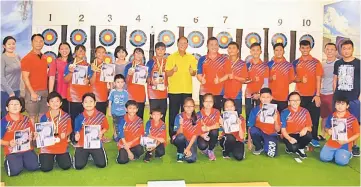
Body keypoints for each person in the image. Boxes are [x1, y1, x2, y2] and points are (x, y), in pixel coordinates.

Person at [292, 40, 323, 147]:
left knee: (314, 117)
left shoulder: (316, 62)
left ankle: (313, 138)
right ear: (300, 49)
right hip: (300, 96)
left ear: (310, 48)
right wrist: (300, 80)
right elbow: (293, 78)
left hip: (313, 96)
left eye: (307, 48)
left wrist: (317, 95)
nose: (305, 50)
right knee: (299, 118)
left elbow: (319, 79)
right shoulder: (295, 63)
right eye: (303, 48)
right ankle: (300, 137)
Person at [166, 37, 197, 140]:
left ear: (187, 44)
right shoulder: (171, 57)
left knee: (187, 113)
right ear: (177, 44)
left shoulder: (191, 58)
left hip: (187, 89)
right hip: (174, 90)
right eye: (181, 43)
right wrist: (173, 70)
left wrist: (192, 71)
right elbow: (167, 73)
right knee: (173, 114)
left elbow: (194, 73)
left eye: (185, 43)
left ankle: (188, 133)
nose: (183, 45)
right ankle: (173, 135)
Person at [333, 40, 360, 156]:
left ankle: (354, 146)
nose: (346, 51)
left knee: (354, 122)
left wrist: (359, 97)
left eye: (349, 48)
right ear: (341, 50)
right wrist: (335, 94)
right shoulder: (338, 63)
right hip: (339, 97)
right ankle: (339, 143)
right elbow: (335, 79)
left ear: (352, 49)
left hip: (354, 98)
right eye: (344, 49)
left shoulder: (359, 63)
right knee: (339, 120)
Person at [1, 97, 39, 176]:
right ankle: (8, 160)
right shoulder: (3, 122)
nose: (14, 106)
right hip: (12, 151)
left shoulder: (26, 119)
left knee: (34, 167)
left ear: (21, 107)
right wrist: (8, 143)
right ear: (7, 108)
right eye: (12, 104)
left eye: (17, 104)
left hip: (27, 149)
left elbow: (31, 134)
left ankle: (23, 160)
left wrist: (33, 136)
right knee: (15, 171)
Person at [320, 96, 360, 165]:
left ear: (347, 106)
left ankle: (348, 153)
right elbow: (326, 127)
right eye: (338, 104)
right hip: (332, 142)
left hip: (345, 144)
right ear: (335, 105)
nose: (340, 106)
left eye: (342, 104)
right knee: (324, 158)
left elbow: (357, 134)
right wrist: (328, 130)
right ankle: (335, 154)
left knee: (341, 162)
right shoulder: (331, 116)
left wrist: (346, 141)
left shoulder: (352, 119)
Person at [38, 91, 72, 172]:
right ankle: (47, 157)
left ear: (60, 103)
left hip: (61, 145)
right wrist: (38, 134)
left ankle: (57, 156)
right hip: (48, 146)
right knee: (46, 168)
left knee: (66, 166)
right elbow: (41, 132)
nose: (54, 103)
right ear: (48, 104)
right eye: (52, 101)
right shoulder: (44, 117)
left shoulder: (66, 116)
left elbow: (69, 129)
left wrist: (66, 134)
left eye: (57, 101)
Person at [73, 93, 109, 169]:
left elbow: (106, 127)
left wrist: (101, 132)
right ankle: (86, 154)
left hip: (95, 143)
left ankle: (92, 154)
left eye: (91, 101)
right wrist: (77, 135)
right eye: (86, 102)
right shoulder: (79, 117)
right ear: (82, 104)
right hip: (83, 144)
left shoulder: (101, 116)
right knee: (78, 166)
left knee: (102, 165)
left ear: (95, 103)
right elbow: (77, 130)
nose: (88, 104)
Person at [21, 34, 48, 124]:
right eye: (36, 41)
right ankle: (32, 137)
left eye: (41, 41)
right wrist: (32, 92)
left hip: (44, 91)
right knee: (32, 116)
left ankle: (40, 136)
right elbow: (25, 77)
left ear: (43, 43)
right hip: (32, 92)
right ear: (32, 43)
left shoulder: (44, 57)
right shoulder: (27, 58)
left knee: (42, 114)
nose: (38, 43)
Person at [197, 37, 231, 111]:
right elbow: (199, 74)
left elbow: (228, 74)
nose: (214, 46)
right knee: (203, 114)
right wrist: (201, 80)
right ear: (207, 46)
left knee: (217, 115)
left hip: (219, 93)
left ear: (218, 46)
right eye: (211, 44)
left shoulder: (224, 59)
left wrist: (220, 80)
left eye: (216, 44)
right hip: (204, 92)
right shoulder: (202, 59)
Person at [63, 45, 91, 130]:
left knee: (84, 117)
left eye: (83, 51)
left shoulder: (88, 65)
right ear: (75, 53)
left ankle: (82, 136)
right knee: (73, 118)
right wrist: (71, 73)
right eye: (79, 51)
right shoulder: (70, 65)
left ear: (85, 53)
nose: (81, 52)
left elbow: (90, 80)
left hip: (84, 96)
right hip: (73, 96)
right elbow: (65, 80)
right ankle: (73, 137)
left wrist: (88, 81)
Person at [248, 88, 280, 157]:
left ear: (271, 98)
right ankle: (259, 147)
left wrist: (275, 120)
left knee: (271, 155)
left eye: (268, 97)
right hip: (259, 133)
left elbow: (278, 130)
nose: (265, 99)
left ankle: (267, 143)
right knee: (253, 130)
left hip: (271, 134)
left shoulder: (275, 111)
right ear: (260, 98)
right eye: (263, 97)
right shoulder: (255, 110)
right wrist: (249, 141)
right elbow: (250, 126)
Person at [281, 92, 313, 159]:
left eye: (297, 100)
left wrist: (305, 128)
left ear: (300, 101)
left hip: (300, 134)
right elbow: (283, 130)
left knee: (309, 136)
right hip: (289, 135)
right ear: (289, 102)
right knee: (293, 149)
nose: (295, 102)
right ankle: (294, 147)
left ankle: (301, 148)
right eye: (292, 100)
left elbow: (310, 128)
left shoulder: (305, 111)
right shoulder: (284, 112)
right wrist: (289, 138)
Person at [245, 43, 269, 124]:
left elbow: (266, 82)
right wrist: (252, 80)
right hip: (249, 94)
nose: (255, 52)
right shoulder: (247, 65)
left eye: (257, 50)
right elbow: (244, 80)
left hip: (261, 95)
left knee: (261, 115)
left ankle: (260, 134)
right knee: (249, 114)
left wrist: (260, 94)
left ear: (260, 51)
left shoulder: (265, 66)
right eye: (253, 50)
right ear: (250, 52)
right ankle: (249, 135)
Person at [173, 97, 202, 163]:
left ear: (194, 107)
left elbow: (195, 135)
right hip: (182, 139)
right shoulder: (179, 116)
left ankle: (186, 150)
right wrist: (181, 124)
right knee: (180, 137)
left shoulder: (197, 117)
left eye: (191, 106)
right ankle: (180, 152)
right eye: (186, 106)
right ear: (183, 107)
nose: (189, 108)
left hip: (191, 141)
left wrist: (188, 148)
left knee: (191, 159)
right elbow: (178, 134)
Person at [268, 43, 295, 113]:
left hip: (284, 98)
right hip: (271, 98)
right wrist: (270, 78)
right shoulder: (269, 64)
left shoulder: (289, 65)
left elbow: (291, 79)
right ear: (274, 51)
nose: (279, 52)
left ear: (283, 51)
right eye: (276, 50)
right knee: (270, 120)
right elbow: (264, 81)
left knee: (282, 120)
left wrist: (283, 82)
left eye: (280, 50)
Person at [224, 42, 248, 116]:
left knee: (237, 115)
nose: (231, 50)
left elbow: (244, 79)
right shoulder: (225, 62)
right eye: (229, 48)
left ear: (238, 50)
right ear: (227, 50)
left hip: (237, 93)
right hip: (225, 93)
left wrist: (234, 77)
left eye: (233, 48)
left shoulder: (242, 63)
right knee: (226, 115)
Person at [48, 42, 73, 113]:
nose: (64, 51)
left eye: (66, 48)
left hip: (72, 93)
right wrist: (50, 94)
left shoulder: (74, 62)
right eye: (62, 49)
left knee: (71, 116)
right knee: (60, 114)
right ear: (59, 50)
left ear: (70, 50)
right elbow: (51, 77)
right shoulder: (55, 62)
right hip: (60, 91)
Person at [320, 43, 338, 141]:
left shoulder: (339, 63)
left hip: (333, 94)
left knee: (335, 116)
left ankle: (335, 135)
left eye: (332, 49)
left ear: (336, 52)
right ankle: (322, 135)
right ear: (325, 51)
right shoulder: (321, 64)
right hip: (323, 93)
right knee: (324, 116)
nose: (329, 51)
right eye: (327, 49)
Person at [146, 42, 168, 122]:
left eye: (162, 49)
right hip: (153, 93)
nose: (160, 51)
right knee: (154, 115)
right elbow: (146, 75)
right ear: (155, 50)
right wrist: (151, 81)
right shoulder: (151, 62)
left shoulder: (167, 62)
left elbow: (168, 75)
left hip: (163, 92)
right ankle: (151, 133)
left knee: (162, 115)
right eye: (158, 49)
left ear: (165, 50)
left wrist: (167, 85)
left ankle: (161, 133)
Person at [1, 36, 21, 118]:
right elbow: (1, 77)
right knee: (6, 116)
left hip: (17, 90)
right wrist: (10, 92)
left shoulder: (17, 56)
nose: (11, 46)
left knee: (16, 115)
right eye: (9, 44)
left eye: (13, 44)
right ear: (4, 46)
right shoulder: (2, 58)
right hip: (5, 92)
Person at [124, 48, 147, 119]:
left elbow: (147, 81)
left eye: (140, 53)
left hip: (140, 95)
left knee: (139, 119)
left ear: (143, 56)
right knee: (129, 119)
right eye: (137, 53)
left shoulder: (145, 68)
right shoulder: (128, 66)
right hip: (130, 96)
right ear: (133, 54)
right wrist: (129, 74)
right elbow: (126, 81)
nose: (138, 55)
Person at [197, 93, 221, 161]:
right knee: (202, 146)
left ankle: (210, 150)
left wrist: (208, 128)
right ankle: (206, 149)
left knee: (214, 131)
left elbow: (217, 125)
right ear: (203, 102)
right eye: (206, 101)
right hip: (203, 134)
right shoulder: (198, 114)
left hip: (212, 133)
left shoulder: (216, 112)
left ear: (213, 103)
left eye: (210, 101)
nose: (208, 103)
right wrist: (202, 135)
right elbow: (196, 129)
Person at [89, 46, 110, 115]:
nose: (101, 54)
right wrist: (95, 71)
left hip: (103, 94)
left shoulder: (108, 66)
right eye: (99, 52)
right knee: (92, 118)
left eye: (103, 52)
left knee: (102, 117)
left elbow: (110, 82)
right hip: (92, 94)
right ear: (95, 54)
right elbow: (91, 82)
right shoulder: (90, 66)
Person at [107, 74, 128, 141]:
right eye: (118, 82)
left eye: (122, 82)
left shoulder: (125, 92)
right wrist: (109, 111)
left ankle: (121, 135)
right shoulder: (113, 92)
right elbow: (110, 102)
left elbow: (126, 103)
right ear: (114, 83)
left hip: (123, 112)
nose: (120, 84)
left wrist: (127, 111)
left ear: (124, 83)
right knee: (116, 125)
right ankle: (116, 136)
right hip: (115, 112)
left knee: (122, 124)